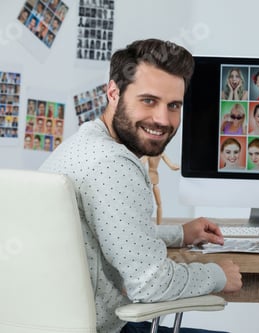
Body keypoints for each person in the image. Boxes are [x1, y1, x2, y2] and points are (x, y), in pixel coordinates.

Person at [39, 39, 242, 333]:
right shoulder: (114, 166)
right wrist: (217, 275)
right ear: (113, 93)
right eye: (149, 100)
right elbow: (150, 284)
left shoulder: (82, 145)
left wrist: (180, 234)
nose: (162, 119)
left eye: (173, 105)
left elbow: (111, 230)